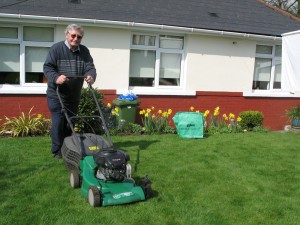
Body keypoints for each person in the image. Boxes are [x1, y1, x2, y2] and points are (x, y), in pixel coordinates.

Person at [44, 24, 97, 159]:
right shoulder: (56, 49)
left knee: (70, 122)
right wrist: (56, 77)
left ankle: (67, 147)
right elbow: (48, 67)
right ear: (67, 35)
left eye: (79, 37)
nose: (75, 39)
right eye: (73, 35)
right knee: (58, 122)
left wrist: (91, 75)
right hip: (56, 94)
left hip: (73, 95)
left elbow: (90, 67)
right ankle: (57, 150)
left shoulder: (84, 51)